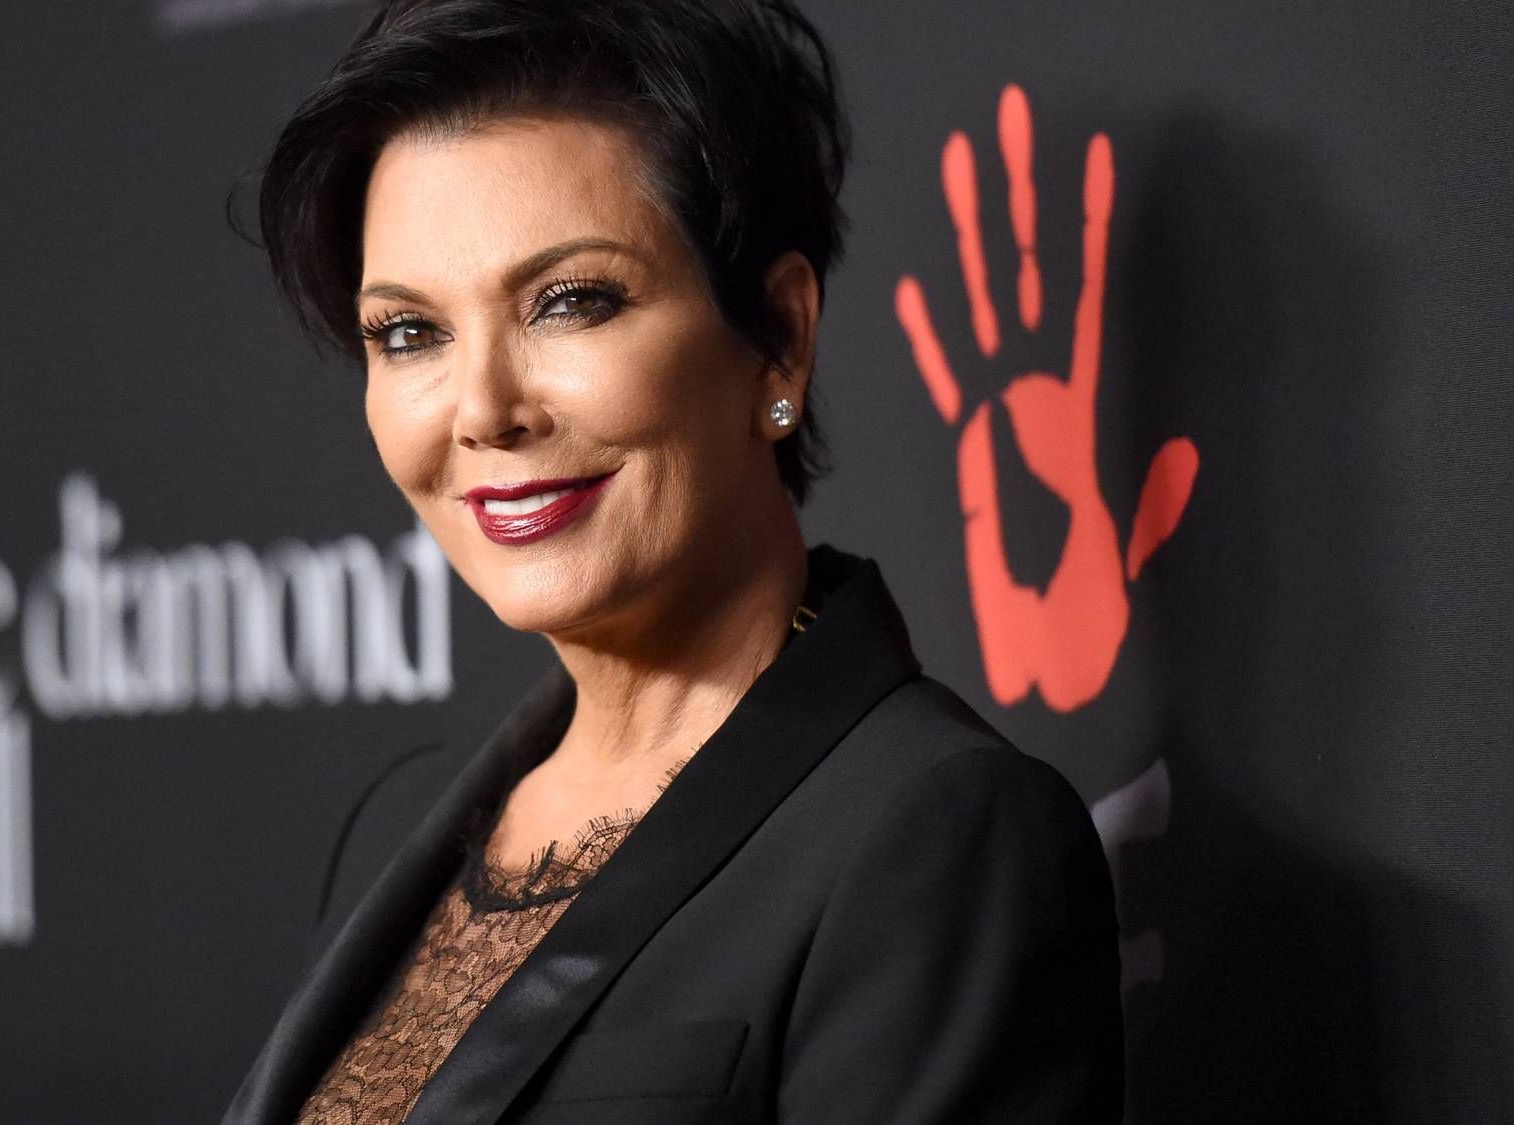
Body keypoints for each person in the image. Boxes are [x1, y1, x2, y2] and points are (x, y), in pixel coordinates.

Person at [222, 1, 1123, 1121]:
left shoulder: (936, 835)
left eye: (570, 303)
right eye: (410, 333)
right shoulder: (395, 828)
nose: (482, 410)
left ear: (779, 337)